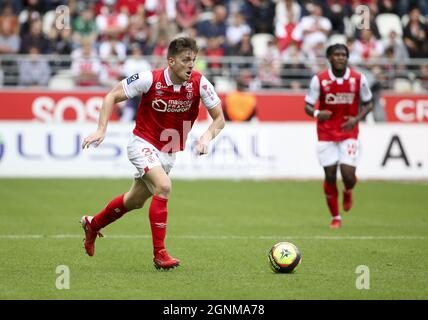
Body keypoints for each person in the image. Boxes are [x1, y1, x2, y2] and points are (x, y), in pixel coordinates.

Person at [81, 37, 226, 269]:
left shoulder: (200, 83)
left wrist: (206, 137)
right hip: (142, 143)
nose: (191, 65)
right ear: (171, 61)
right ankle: (160, 255)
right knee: (164, 186)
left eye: (194, 60)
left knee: (134, 201)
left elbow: (219, 118)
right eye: (186, 60)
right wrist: (101, 129)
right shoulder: (149, 79)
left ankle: (93, 224)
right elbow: (111, 96)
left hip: (168, 153)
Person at [304, 43, 373, 229]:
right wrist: (318, 114)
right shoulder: (319, 80)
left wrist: (356, 119)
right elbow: (308, 105)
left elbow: (369, 103)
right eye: (337, 54)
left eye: (344, 54)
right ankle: (336, 217)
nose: (341, 57)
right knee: (330, 176)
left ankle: (348, 189)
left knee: (348, 175)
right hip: (326, 134)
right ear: (329, 58)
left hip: (348, 132)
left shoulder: (359, 79)